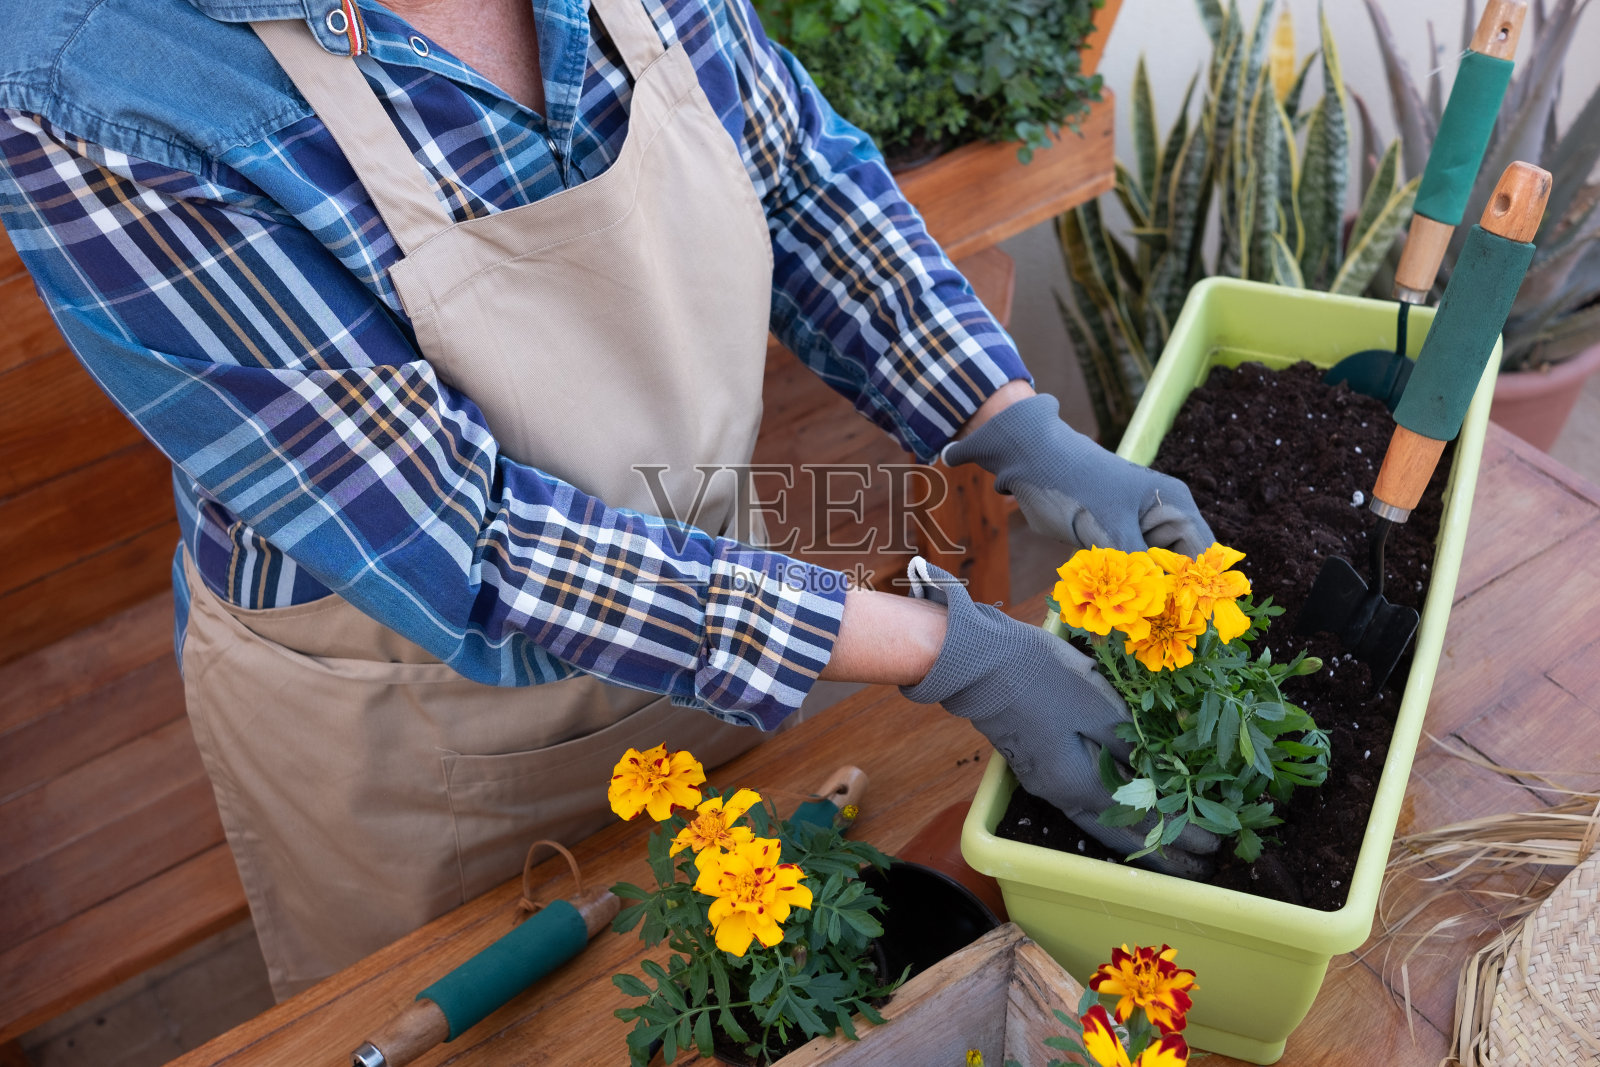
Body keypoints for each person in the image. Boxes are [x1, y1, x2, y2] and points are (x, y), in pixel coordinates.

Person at [0, 0, 1219, 999]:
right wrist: (944, 648)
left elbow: (794, 179)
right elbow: (458, 541)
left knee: (764, 974)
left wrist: (1004, 422)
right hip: (420, 715)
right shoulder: (98, 83)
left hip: (725, 601)